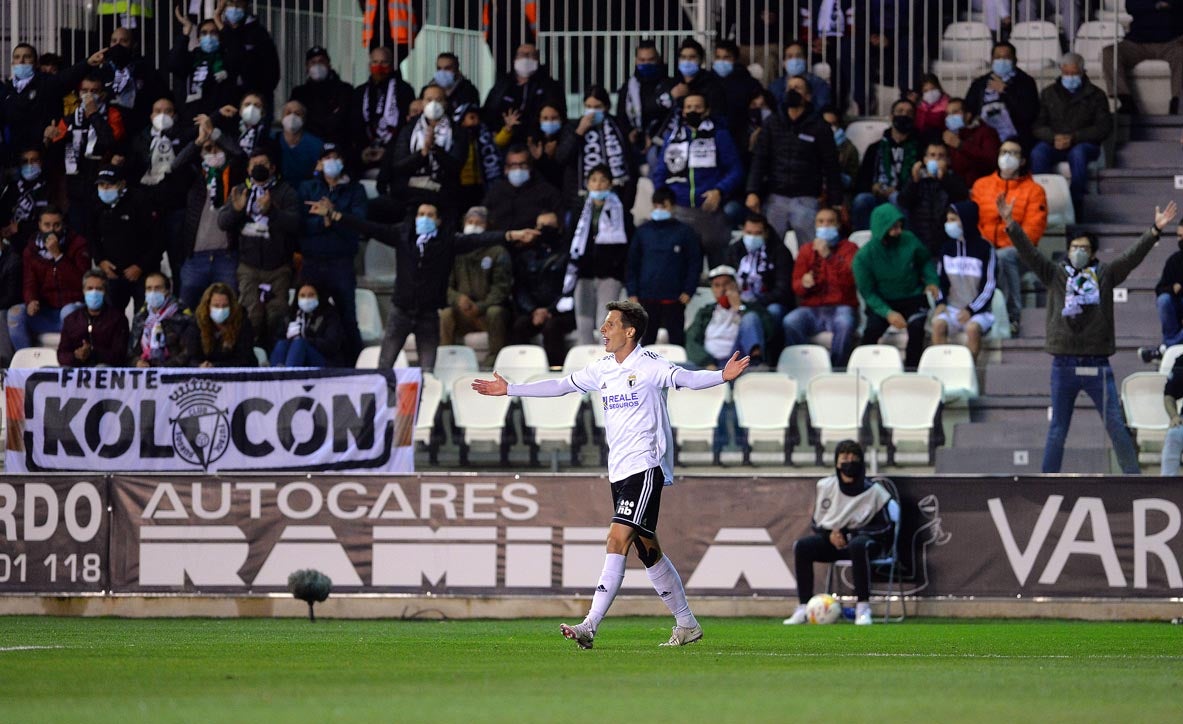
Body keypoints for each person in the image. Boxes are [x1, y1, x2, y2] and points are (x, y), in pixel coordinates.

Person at [472, 300, 751, 648]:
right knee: (648, 551)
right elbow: (561, 386)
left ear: (629, 331)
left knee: (616, 539)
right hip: (618, 471)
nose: (602, 330)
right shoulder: (602, 368)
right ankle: (687, 625)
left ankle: (590, 625)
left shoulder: (650, 365)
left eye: (610, 324)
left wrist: (720, 376)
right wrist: (511, 389)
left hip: (646, 466)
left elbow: (685, 378)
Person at [995, 193, 1176, 474]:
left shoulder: (1105, 274)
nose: (1077, 251)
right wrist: (1010, 223)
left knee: (1115, 425)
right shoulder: (1055, 274)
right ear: (1067, 251)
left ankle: (1134, 479)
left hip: (1098, 364)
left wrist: (1155, 231)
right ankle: (1047, 482)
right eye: (1073, 247)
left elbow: (1131, 257)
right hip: (1063, 363)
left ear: (1092, 253)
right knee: (1057, 429)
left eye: (1083, 248)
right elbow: (1029, 253)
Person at [306, 199, 538, 370]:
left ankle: (427, 419)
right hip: (400, 313)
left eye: (429, 214)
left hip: (428, 316)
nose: (424, 218)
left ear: (437, 220)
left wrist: (511, 235)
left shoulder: (446, 243)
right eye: (421, 214)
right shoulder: (402, 236)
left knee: (427, 371)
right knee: (384, 367)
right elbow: (369, 228)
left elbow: (478, 239)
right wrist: (336, 215)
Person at [783, 439, 894, 627]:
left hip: (863, 543)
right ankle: (803, 607)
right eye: (844, 457)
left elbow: (884, 527)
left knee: (859, 545)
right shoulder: (825, 487)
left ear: (861, 462)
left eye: (853, 457)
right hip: (833, 542)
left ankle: (863, 608)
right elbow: (817, 522)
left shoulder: (874, 492)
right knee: (802, 546)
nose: (849, 462)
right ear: (836, 462)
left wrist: (852, 534)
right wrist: (830, 536)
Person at [746, 75, 843, 248]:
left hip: (806, 198)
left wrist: (835, 201)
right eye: (789, 88)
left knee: (809, 250)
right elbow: (760, 159)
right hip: (776, 196)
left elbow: (831, 166)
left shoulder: (820, 126)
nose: (792, 91)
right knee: (770, 250)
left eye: (797, 88)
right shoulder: (772, 123)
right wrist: (752, 191)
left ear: (808, 96)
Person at [218, 145, 300, 348]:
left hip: (278, 267)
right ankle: (251, 355)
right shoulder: (239, 190)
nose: (258, 168)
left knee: (277, 315)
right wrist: (236, 210)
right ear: (247, 169)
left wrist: (271, 211)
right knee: (250, 314)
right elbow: (222, 222)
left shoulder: (286, 192)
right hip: (249, 265)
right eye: (254, 165)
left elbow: (295, 224)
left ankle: (274, 356)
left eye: (262, 164)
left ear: (272, 168)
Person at [650, 91, 743, 268]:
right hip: (679, 210)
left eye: (698, 107)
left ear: (707, 110)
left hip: (710, 210)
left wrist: (719, 190)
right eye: (689, 107)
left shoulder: (719, 135)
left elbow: (735, 170)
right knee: (681, 268)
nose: (693, 111)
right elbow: (660, 171)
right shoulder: (672, 136)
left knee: (719, 267)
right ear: (683, 111)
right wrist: (662, 198)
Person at [971, 138, 1048, 336]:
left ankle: (1012, 316)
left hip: (1021, 253)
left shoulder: (1035, 191)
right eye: (1003, 152)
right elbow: (973, 222)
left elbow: (1032, 232)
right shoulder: (981, 185)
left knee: (1004, 257)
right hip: (986, 248)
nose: (1007, 157)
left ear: (1022, 161)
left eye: (1013, 153)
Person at [298, 143, 368, 357]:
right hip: (312, 261)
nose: (331, 161)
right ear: (319, 163)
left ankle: (355, 366)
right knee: (307, 314)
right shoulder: (307, 188)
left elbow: (358, 224)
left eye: (336, 157)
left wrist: (333, 214)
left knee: (347, 317)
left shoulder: (355, 190)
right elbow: (299, 225)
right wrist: (324, 223)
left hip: (341, 262)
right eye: (327, 157)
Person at [174, 112, 246, 312]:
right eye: (208, 150)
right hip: (195, 257)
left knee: (230, 309)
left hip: (227, 257)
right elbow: (176, 165)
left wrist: (214, 133)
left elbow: (240, 155)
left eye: (217, 148)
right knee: (186, 309)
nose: (213, 152)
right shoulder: (195, 178)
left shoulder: (233, 176)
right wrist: (198, 142)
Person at [853, 204, 940, 369]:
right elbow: (868, 293)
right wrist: (888, 313)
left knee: (916, 328)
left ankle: (912, 371)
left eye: (900, 226)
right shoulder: (863, 257)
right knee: (872, 330)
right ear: (881, 228)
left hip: (913, 297)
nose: (898, 231)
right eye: (893, 227)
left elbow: (925, 261)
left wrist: (931, 281)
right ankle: (862, 370)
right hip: (883, 301)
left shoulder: (909, 239)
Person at [560, 165, 633, 345]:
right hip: (583, 274)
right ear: (587, 184)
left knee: (606, 321)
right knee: (583, 322)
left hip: (609, 275)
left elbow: (627, 246)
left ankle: (606, 364)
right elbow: (570, 241)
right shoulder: (578, 211)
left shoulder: (621, 211)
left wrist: (619, 269)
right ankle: (586, 366)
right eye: (594, 180)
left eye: (602, 180)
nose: (598, 185)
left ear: (609, 184)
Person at [1030, 53, 1113, 213]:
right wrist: (1053, 137)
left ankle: (1076, 202)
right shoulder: (1048, 93)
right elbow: (1037, 125)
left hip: (1084, 143)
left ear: (1083, 72)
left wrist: (1074, 138)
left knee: (1078, 154)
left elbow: (1104, 127)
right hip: (1054, 142)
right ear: (1061, 72)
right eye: (1066, 73)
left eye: (1074, 73)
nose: (1070, 77)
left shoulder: (1096, 95)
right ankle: (1040, 200)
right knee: (1038, 153)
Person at [626, 187, 703, 346]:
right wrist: (632, 291)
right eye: (656, 206)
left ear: (673, 206)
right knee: (645, 342)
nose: (659, 209)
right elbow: (632, 263)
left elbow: (695, 262)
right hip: (647, 297)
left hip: (674, 297)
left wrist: (689, 289)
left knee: (677, 341)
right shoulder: (643, 231)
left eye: (664, 206)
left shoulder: (685, 232)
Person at [380, 84, 467, 224]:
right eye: (429, 99)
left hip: (442, 189)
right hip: (410, 188)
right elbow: (399, 166)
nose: (433, 104)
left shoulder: (458, 131)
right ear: (422, 102)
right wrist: (423, 153)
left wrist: (435, 149)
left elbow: (456, 167)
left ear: (446, 103)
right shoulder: (408, 129)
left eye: (438, 100)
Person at [785, 207, 860, 368]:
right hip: (812, 309)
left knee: (845, 323)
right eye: (821, 222)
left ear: (838, 225)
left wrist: (829, 257)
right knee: (790, 321)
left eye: (830, 222)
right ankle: (804, 366)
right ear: (815, 226)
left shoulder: (850, 248)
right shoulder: (806, 250)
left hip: (841, 306)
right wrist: (804, 284)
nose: (825, 226)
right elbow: (796, 286)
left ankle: (837, 369)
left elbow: (851, 281)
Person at [440, 208, 513, 367]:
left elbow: (501, 288)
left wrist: (480, 307)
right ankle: (445, 361)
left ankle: (494, 361)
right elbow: (444, 285)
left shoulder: (497, 251)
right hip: (463, 311)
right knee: (446, 314)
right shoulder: (454, 251)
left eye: (479, 223)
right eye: (470, 222)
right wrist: (457, 298)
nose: (473, 226)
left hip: (486, 313)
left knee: (496, 312)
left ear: (487, 227)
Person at [9, 207, 88, 352]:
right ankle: (26, 360)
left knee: (68, 311)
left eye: (56, 225)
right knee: (15, 313)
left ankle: (70, 360)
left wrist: (58, 255)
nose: (52, 229)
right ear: (39, 225)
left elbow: (82, 283)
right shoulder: (31, 249)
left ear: (63, 224)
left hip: (73, 308)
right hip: (47, 311)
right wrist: (31, 300)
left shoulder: (78, 244)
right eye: (47, 225)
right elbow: (29, 281)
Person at [932, 201, 998, 361]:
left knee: (972, 329)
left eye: (953, 220)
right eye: (948, 220)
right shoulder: (946, 248)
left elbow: (989, 286)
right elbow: (939, 280)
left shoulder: (985, 249)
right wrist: (940, 302)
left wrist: (971, 310)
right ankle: (943, 370)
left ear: (966, 221)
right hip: (952, 308)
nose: (949, 224)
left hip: (979, 311)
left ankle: (968, 373)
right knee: (937, 325)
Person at [555, 86, 637, 214]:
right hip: (579, 199)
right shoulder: (572, 127)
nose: (592, 111)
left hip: (617, 196)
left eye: (597, 107)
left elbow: (629, 162)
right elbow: (562, 158)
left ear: (607, 107)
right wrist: (579, 132)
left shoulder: (619, 126)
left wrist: (628, 198)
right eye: (588, 106)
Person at [510, 212, 574, 366]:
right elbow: (520, 288)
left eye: (548, 226)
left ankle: (556, 372)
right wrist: (533, 310)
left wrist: (550, 311)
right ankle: (524, 370)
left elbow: (570, 288)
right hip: (533, 310)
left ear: (558, 228)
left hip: (561, 312)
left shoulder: (568, 255)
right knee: (519, 325)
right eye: (539, 226)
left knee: (552, 328)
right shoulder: (526, 256)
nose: (543, 230)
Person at [1102, 0, 1183, 115]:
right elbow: (1131, 6)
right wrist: (1157, 5)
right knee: (1110, 53)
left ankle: (1177, 104)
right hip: (1138, 42)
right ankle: (1126, 101)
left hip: (1171, 42)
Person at [686, 265, 775, 369]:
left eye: (726, 284)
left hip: (738, 363)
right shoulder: (705, 312)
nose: (722, 289)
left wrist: (740, 309)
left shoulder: (752, 308)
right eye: (717, 285)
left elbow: (769, 332)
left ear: (736, 285)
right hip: (709, 364)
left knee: (750, 318)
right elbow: (692, 340)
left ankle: (755, 364)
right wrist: (708, 363)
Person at [852, 99, 920, 232]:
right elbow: (861, 178)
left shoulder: (919, 147)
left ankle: (903, 240)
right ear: (891, 116)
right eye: (900, 111)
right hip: (877, 194)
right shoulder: (875, 148)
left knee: (897, 198)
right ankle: (863, 240)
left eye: (909, 113)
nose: (904, 115)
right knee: (862, 200)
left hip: (905, 195)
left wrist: (897, 189)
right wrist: (872, 187)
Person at [725, 213, 794, 339]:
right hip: (740, 301)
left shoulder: (780, 252)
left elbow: (783, 290)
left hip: (768, 302)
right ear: (743, 231)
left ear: (766, 233)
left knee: (774, 311)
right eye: (749, 232)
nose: (752, 237)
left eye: (757, 233)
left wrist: (756, 303)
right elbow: (727, 278)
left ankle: (772, 351)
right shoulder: (735, 249)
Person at [351, 46, 414, 178]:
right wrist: (362, 151)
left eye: (384, 62)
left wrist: (389, 151)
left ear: (392, 65)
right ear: (369, 65)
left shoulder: (404, 90)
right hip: (365, 154)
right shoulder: (360, 92)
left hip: (393, 154)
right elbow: (355, 125)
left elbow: (406, 124)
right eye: (375, 62)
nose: (379, 66)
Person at [483, 43, 563, 147]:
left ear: (538, 59)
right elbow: (489, 111)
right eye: (522, 54)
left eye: (530, 55)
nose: (525, 58)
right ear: (515, 59)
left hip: (537, 143)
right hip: (504, 141)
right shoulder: (503, 84)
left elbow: (557, 115)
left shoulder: (550, 85)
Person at [897, 142, 970, 257]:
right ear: (925, 160)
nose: (936, 159)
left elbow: (961, 197)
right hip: (919, 238)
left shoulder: (954, 179)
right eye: (932, 155)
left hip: (945, 241)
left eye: (941, 156)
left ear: (947, 160)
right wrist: (914, 181)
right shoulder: (917, 180)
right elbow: (903, 202)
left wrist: (944, 179)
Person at [964, 41, 1040, 150]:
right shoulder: (980, 83)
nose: (1002, 61)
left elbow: (1029, 114)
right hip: (985, 137)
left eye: (1006, 57)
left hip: (1017, 137)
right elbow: (969, 109)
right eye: (998, 57)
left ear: (1015, 60)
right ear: (992, 61)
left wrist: (1006, 91)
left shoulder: (1026, 82)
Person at [169, 14, 240, 122]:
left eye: (214, 33)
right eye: (204, 33)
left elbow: (238, 53)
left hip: (220, 121)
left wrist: (220, 23)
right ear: (198, 38)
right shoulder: (191, 58)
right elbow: (173, 63)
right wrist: (185, 33)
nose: (209, 37)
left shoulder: (227, 59)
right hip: (191, 122)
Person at [615, 41, 676, 161]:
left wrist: (652, 135)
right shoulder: (628, 88)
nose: (646, 64)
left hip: (662, 144)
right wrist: (630, 132)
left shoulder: (670, 85)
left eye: (650, 59)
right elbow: (621, 116)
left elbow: (669, 115)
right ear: (636, 61)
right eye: (642, 60)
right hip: (634, 145)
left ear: (658, 59)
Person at [215, 0, 280, 111]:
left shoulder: (258, 33)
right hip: (227, 104)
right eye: (230, 4)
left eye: (238, 4)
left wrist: (260, 96)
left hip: (255, 102)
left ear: (246, 6)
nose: (234, 8)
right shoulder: (217, 34)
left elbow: (272, 71)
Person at [482, 145, 563, 234]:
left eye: (523, 165)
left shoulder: (547, 191)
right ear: (506, 169)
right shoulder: (496, 191)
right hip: (501, 242)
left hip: (535, 242)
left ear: (530, 167)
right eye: (513, 165)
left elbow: (560, 220)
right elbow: (482, 213)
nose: (518, 169)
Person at [57, 270, 129, 367]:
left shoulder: (118, 319)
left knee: (101, 368)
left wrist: (92, 352)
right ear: (83, 291)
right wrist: (76, 355)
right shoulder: (71, 319)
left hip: (104, 372)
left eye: (99, 289)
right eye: (90, 288)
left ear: (105, 292)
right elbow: (62, 354)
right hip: (77, 369)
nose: (94, 293)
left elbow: (120, 355)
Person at [270, 281, 346, 367]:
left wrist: (306, 338)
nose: (306, 299)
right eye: (302, 296)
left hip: (324, 361)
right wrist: (289, 336)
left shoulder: (330, 316)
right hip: (298, 357)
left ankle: (290, 376)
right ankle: (276, 375)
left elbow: (331, 345)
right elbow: (277, 339)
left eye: (311, 295)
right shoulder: (291, 315)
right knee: (281, 344)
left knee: (300, 343)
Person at [289, 46, 354, 145]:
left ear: (329, 64)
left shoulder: (345, 90)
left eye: (321, 61)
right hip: (309, 145)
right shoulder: (299, 93)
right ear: (307, 67)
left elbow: (346, 120)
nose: (317, 66)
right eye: (313, 62)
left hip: (339, 145)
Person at [129, 272, 195, 368]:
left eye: (158, 288)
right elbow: (131, 350)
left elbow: (188, 352)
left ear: (167, 291)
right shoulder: (141, 317)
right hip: (145, 370)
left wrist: (163, 367)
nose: (153, 292)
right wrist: (137, 362)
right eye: (149, 288)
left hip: (173, 371)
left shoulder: (182, 316)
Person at [185, 281, 257, 368]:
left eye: (225, 306)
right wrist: (199, 365)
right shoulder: (196, 324)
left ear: (232, 306)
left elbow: (244, 359)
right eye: (216, 306)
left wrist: (215, 366)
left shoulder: (243, 323)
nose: (221, 309)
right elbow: (191, 357)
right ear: (207, 306)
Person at [1140, 221, 1183, 363]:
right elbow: (1160, 288)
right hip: (1179, 308)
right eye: (1179, 236)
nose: (1180, 240)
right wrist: (1173, 288)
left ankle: (1164, 349)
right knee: (1164, 300)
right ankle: (1169, 345)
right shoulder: (1175, 260)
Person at [942, 97, 1001, 188]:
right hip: (959, 188)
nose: (950, 117)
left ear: (968, 115)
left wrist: (961, 145)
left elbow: (992, 161)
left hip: (984, 187)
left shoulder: (986, 132)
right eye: (948, 114)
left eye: (955, 112)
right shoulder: (950, 135)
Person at [711, 39, 762, 145]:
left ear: (735, 59)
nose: (721, 61)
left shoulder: (749, 83)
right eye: (718, 57)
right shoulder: (707, 81)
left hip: (740, 136)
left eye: (726, 57)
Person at [0, 147, 53, 243]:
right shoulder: (13, 187)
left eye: (34, 160)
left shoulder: (49, 189)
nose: (29, 165)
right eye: (25, 161)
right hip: (8, 241)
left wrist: (20, 227)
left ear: (41, 163)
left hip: (35, 242)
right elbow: (3, 210)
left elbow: (50, 221)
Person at [771, 40, 831, 113]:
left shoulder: (820, 85)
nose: (794, 60)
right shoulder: (775, 86)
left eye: (799, 56)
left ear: (805, 60)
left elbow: (823, 110)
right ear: (783, 62)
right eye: (790, 56)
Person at [275, 99, 324, 186]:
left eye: (297, 114)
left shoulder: (316, 144)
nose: (292, 117)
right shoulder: (273, 139)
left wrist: (316, 175)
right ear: (282, 117)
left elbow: (318, 174)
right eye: (288, 113)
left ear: (304, 119)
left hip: (307, 192)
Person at [822, 108, 860, 209]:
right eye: (826, 124)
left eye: (833, 124)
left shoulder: (850, 149)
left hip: (840, 192)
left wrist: (836, 169)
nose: (830, 128)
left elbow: (853, 181)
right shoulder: (811, 144)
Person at [1160, 355, 1183, 475]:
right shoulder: (1181, 361)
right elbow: (1169, 395)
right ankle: (1167, 487)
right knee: (1175, 434)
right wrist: (1174, 416)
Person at [0, 235, 21, 366]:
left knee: (0, 314)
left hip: (7, 306)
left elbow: (12, 295)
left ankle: (3, 363)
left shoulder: (13, 259)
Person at [914, 74, 950, 146]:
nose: (930, 93)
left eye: (933, 89)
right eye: (926, 91)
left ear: (939, 88)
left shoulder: (948, 105)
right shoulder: (919, 107)